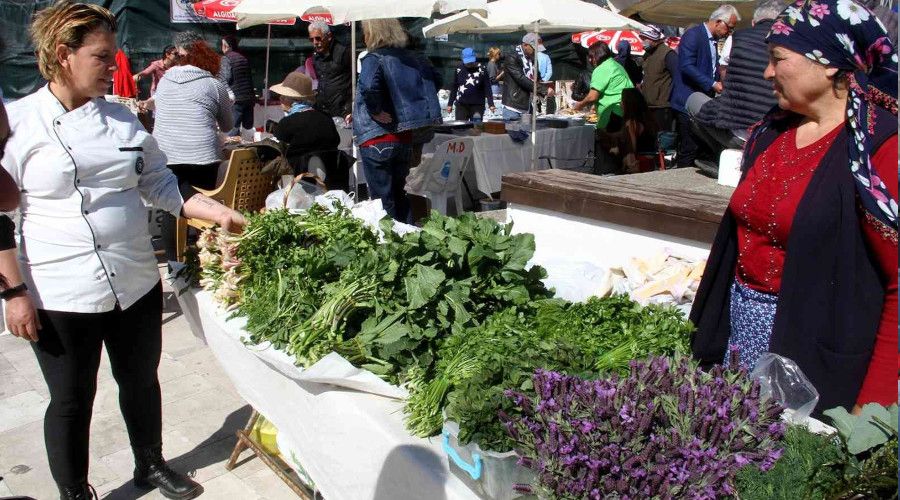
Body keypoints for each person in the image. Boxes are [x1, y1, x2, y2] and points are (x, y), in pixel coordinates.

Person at [0, 3, 246, 499]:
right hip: (59, 288)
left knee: (140, 380)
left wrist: (217, 212)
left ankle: (150, 464)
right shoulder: (19, 124)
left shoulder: (122, 119)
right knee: (71, 399)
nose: (114, 66)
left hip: (134, 278)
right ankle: (74, 491)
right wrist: (14, 292)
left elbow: (159, 181)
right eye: (103, 56)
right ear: (63, 54)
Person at [690, 0, 898, 414]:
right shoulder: (770, 130)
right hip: (740, 338)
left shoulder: (879, 149)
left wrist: (872, 407)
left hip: (816, 355)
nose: (767, 72)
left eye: (778, 59)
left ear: (828, 64)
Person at [154, 31, 233, 263]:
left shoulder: (164, 81)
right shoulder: (213, 84)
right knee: (206, 204)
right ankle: (205, 259)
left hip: (165, 156)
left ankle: (174, 263)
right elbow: (227, 125)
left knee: (171, 208)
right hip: (203, 158)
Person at [354, 19, 441, 223]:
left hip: (376, 136)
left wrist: (376, 111)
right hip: (403, 137)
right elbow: (436, 80)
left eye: (365, 32)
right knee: (399, 195)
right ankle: (407, 241)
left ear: (373, 32)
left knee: (383, 201)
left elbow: (368, 87)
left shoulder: (373, 58)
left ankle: (390, 247)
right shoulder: (415, 58)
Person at [686, 0, 781, 159]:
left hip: (743, 135)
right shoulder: (794, 45)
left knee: (693, 101)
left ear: (753, 22)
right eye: (729, 27)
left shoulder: (737, 38)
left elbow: (724, 73)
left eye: (731, 28)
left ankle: (721, 156)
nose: (730, 31)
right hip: (777, 134)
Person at [670, 4, 741, 168]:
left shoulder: (713, 40)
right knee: (689, 146)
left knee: (700, 145)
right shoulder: (694, 35)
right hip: (686, 99)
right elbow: (686, 66)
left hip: (702, 98)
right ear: (718, 22)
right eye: (729, 28)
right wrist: (712, 83)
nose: (729, 32)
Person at [271, 72, 344, 186]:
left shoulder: (287, 123)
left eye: (281, 96)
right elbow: (336, 141)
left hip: (300, 182)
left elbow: (274, 149)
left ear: (289, 99)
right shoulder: (326, 118)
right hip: (331, 180)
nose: (279, 100)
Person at [572, 42, 634, 174]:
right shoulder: (616, 65)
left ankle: (606, 175)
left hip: (612, 114)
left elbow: (592, 96)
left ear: (596, 55)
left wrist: (579, 105)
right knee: (621, 147)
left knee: (607, 148)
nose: (589, 60)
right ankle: (620, 173)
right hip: (623, 112)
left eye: (590, 56)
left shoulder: (602, 68)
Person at [597, 88, 659, 174]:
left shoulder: (631, 123)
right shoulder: (648, 119)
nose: (620, 103)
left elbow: (631, 147)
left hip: (639, 163)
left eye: (622, 100)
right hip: (651, 161)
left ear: (628, 104)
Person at [639, 24, 678, 133]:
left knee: (663, 138)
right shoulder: (648, 54)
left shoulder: (668, 54)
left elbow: (677, 77)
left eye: (645, 39)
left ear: (653, 38)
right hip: (649, 105)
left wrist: (671, 97)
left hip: (662, 106)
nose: (643, 42)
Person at [310, 21, 352, 121]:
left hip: (343, 112)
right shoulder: (316, 56)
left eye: (318, 38)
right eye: (311, 39)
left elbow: (357, 79)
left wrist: (350, 108)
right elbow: (321, 79)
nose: (315, 42)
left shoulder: (343, 52)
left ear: (328, 36)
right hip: (322, 109)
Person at [500, 33, 547, 122]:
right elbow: (521, 79)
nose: (536, 51)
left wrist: (542, 85)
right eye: (534, 48)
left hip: (528, 104)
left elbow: (537, 76)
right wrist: (543, 89)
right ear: (525, 45)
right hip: (513, 106)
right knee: (514, 133)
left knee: (529, 133)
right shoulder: (512, 57)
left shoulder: (533, 58)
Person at [447, 48, 495, 121]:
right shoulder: (458, 69)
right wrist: (450, 103)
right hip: (461, 105)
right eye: (467, 62)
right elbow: (454, 87)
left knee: (476, 128)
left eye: (471, 61)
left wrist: (491, 103)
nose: (469, 64)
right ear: (462, 59)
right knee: (461, 129)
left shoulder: (482, 69)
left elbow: (487, 87)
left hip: (478, 105)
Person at [221, 35, 255, 136]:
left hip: (236, 99)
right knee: (247, 128)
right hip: (248, 98)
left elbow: (226, 78)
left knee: (233, 128)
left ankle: (234, 150)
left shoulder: (226, 58)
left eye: (222, 45)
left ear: (226, 46)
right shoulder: (244, 58)